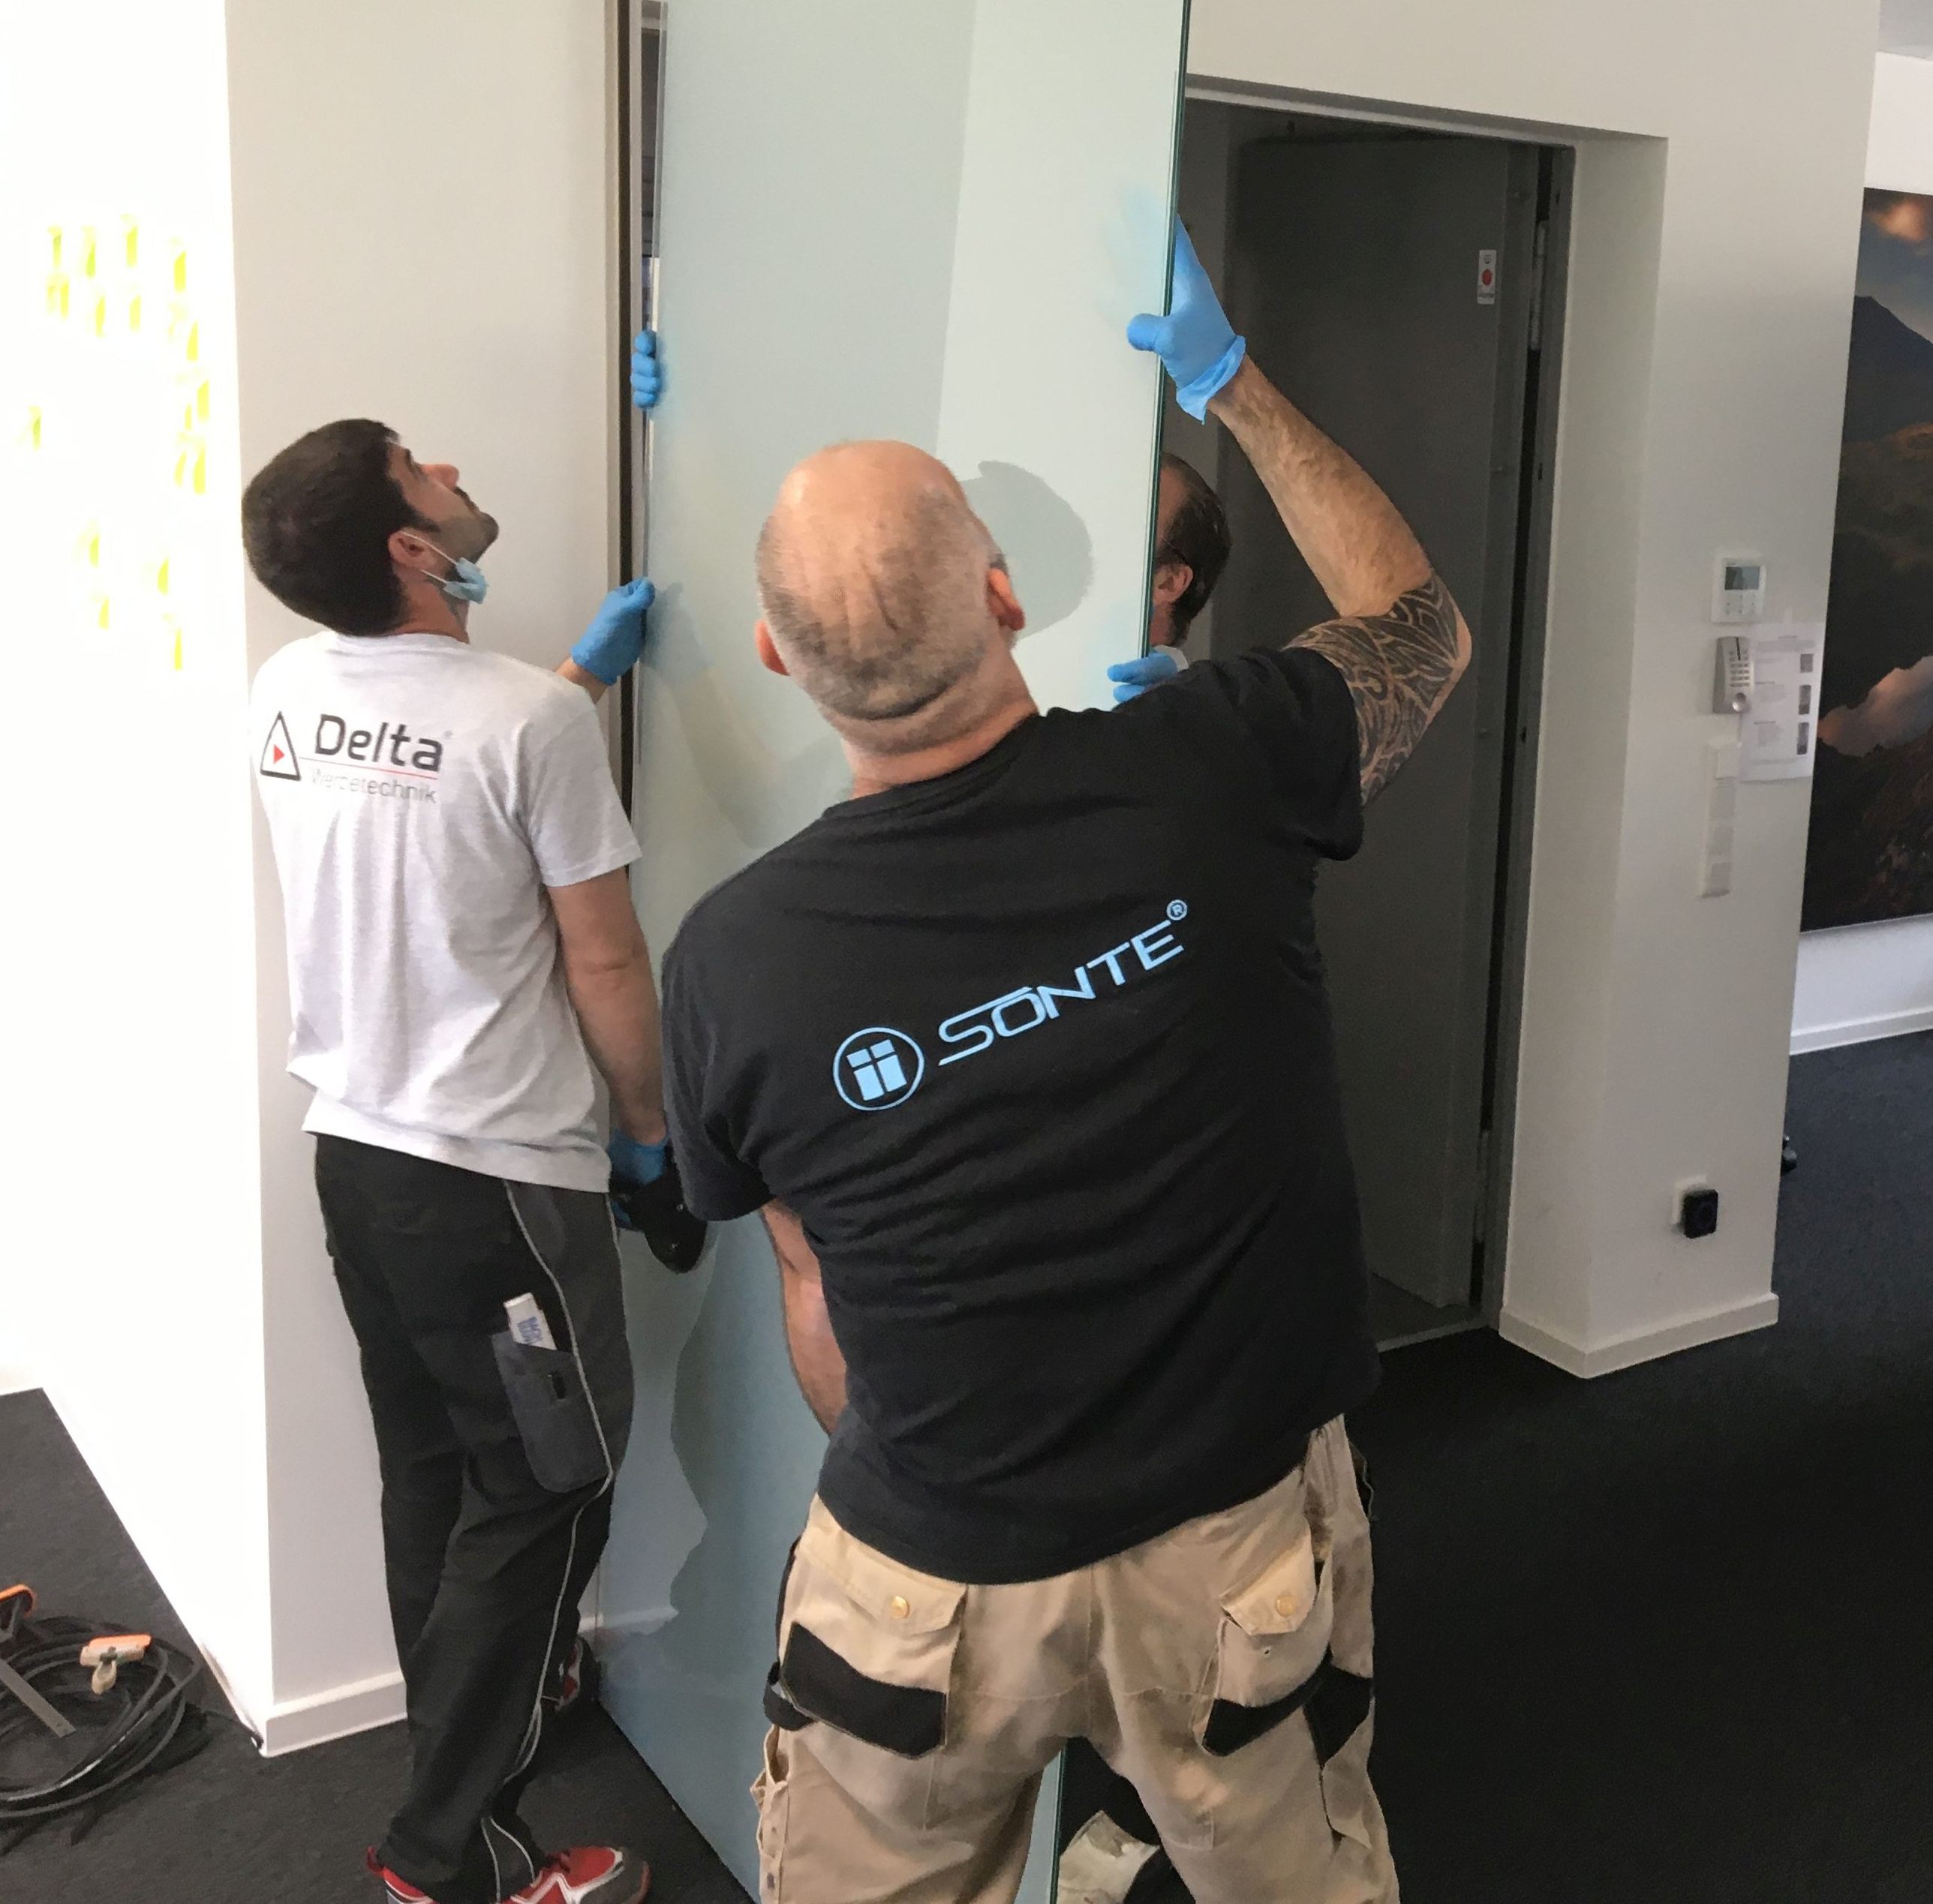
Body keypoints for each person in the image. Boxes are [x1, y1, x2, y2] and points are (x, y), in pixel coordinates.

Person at [655, 227, 1468, 1902]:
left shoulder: (730, 959)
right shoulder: (1214, 765)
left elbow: (812, 1288)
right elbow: (1419, 630)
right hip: (1236, 1543)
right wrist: (1228, 381)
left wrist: (966, 1485)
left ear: (777, 658)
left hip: (922, 1579)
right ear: (1007, 596)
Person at [242, 331, 690, 1904]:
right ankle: (448, 1854)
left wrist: (572, 682)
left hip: (358, 1160)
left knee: (434, 1465)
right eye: (417, 468)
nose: (448, 466)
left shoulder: (288, 690)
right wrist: (649, 1138)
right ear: (413, 549)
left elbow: (435, 785)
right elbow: (605, 958)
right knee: (556, 1477)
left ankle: (466, 1731)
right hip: (497, 1181)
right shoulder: (526, 728)